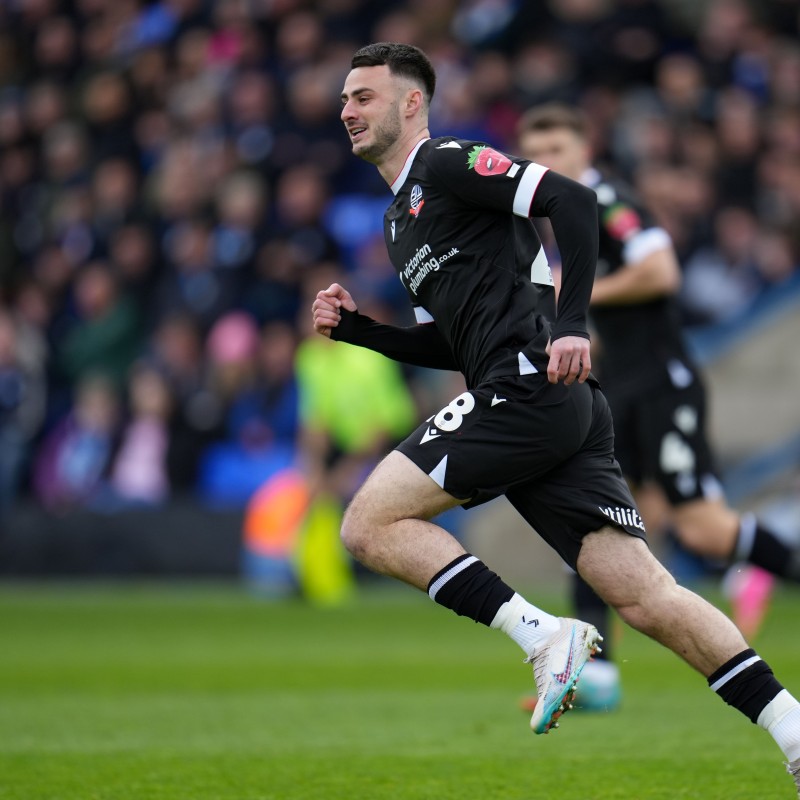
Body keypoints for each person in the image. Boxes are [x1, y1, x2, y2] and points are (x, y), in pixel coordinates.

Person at [310, 43, 800, 793]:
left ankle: (545, 636)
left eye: (364, 96)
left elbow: (569, 199)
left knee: (368, 525)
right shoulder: (398, 222)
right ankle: (794, 731)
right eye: (345, 98)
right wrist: (362, 333)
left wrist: (570, 322)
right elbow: (451, 339)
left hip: (532, 382)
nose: (347, 110)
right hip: (549, 400)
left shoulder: (446, 163)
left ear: (411, 103)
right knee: (645, 597)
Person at [516, 102, 800, 712]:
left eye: (558, 152)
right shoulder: (566, 215)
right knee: (604, 523)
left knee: (702, 527)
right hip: (620, 387)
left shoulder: (607, 201)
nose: (547, 164)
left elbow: (661, 270)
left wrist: (576, 292)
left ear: (584, 152)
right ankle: (598, 675)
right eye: (536, 155)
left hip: (663, 383)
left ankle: (765, 567)